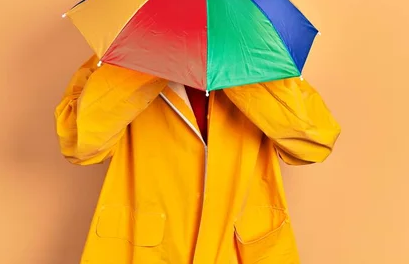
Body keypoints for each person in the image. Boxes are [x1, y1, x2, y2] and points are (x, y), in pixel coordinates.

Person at [55, 55, 341, 263]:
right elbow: (79, 143)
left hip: (242, 250)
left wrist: (241, 70)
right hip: (145, 250)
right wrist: (149, 62)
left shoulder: (263, 63)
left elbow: (315, 142)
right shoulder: (118, 59)